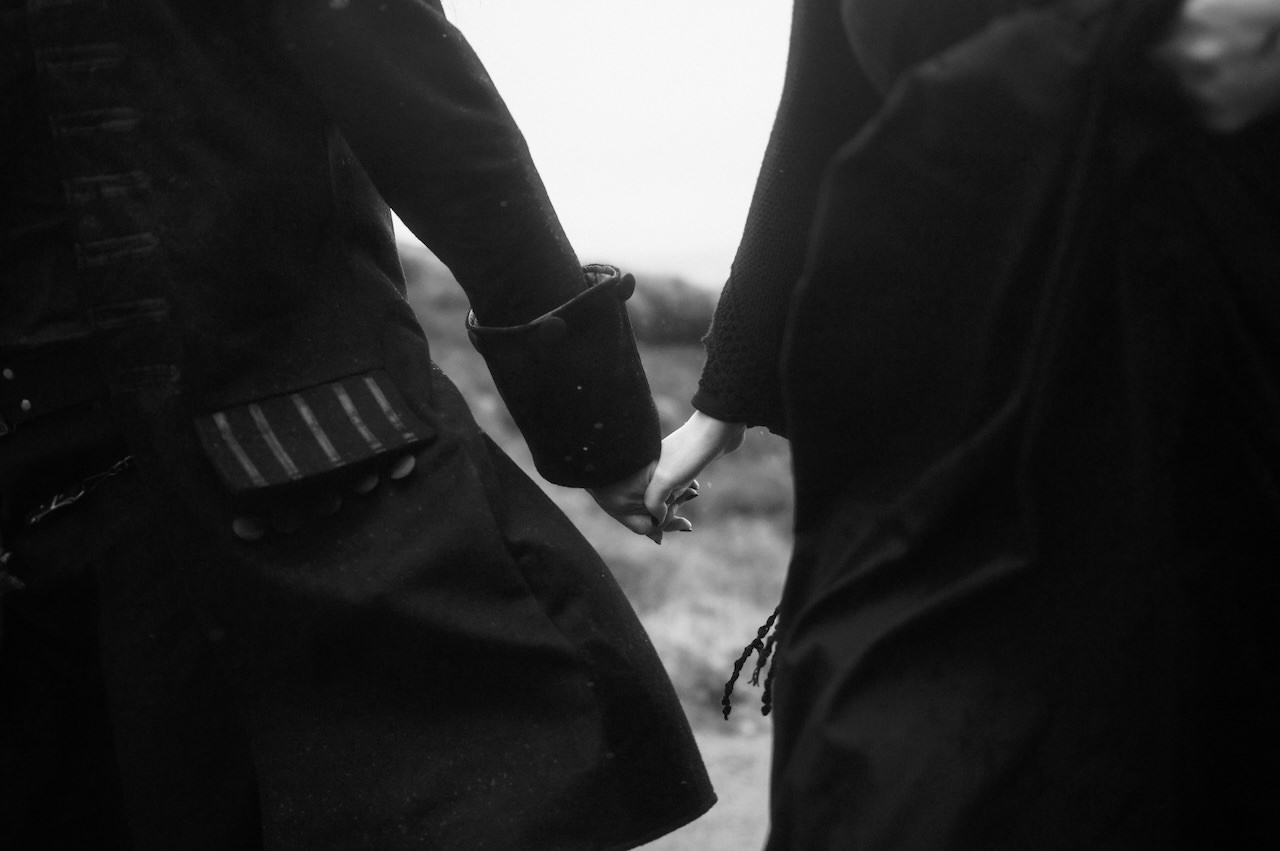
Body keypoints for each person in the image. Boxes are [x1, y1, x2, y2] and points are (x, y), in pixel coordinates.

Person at [0, 1, 711, 848]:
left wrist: (595, 428)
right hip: (276, 495)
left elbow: (425, 113)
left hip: (307, 493)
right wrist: (603, 438)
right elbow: (430, 112)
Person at [647, 0, 1280, 848]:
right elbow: (822, 100)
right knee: (899, 755)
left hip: (1206, 323)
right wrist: (726, 393)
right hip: (940, 366)